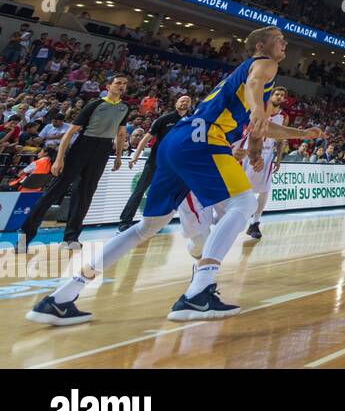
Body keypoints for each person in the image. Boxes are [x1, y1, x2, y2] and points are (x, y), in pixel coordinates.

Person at [26, 27, 324, 326]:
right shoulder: (264, 64)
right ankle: (199, 291)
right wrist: (259, 107)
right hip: (203, 139)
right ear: (261, 45)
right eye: (278, 39)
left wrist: (301, 133)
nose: (284, 42)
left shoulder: (242, 82)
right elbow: (256, 84)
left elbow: (260, 124)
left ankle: (61, 296)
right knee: (244, 204)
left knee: (148, 226)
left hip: (177, 142)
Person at [19, 74, 131, 250]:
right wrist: (59, 159)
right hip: (83, 146)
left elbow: (121, 133)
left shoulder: (125, 107)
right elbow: (70, 133)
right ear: (108, 86)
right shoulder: (95, 104)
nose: (122, 86)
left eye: (124, 84)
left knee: (85, 195)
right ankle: (25, 236)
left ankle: (71, 238)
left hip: (102, 150)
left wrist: (117, 157)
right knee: (54, 191)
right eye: (118, 83)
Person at [118, 94, 192, 231]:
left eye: (187, 101)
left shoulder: (191, 121)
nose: (184, 103)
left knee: (163, 193)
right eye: (182, 100)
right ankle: (125, 220)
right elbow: (146, 138)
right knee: (140, 190)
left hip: (173, 164)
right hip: (155, 161)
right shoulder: (165, 119)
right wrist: (135, 156)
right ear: (176, 102)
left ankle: (156, 223)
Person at [234, 86, 289, 239]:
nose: (278, 97)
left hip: (266, 155)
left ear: (284, 99)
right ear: (271, 96)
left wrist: (278, 159)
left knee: (264, 190)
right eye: (276, 94)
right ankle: (231, 216)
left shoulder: (283, 116)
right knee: (240, 186)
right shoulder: (259, 109)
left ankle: (255, 222)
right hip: (248, 151)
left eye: (281, 95)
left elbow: (280, 140)